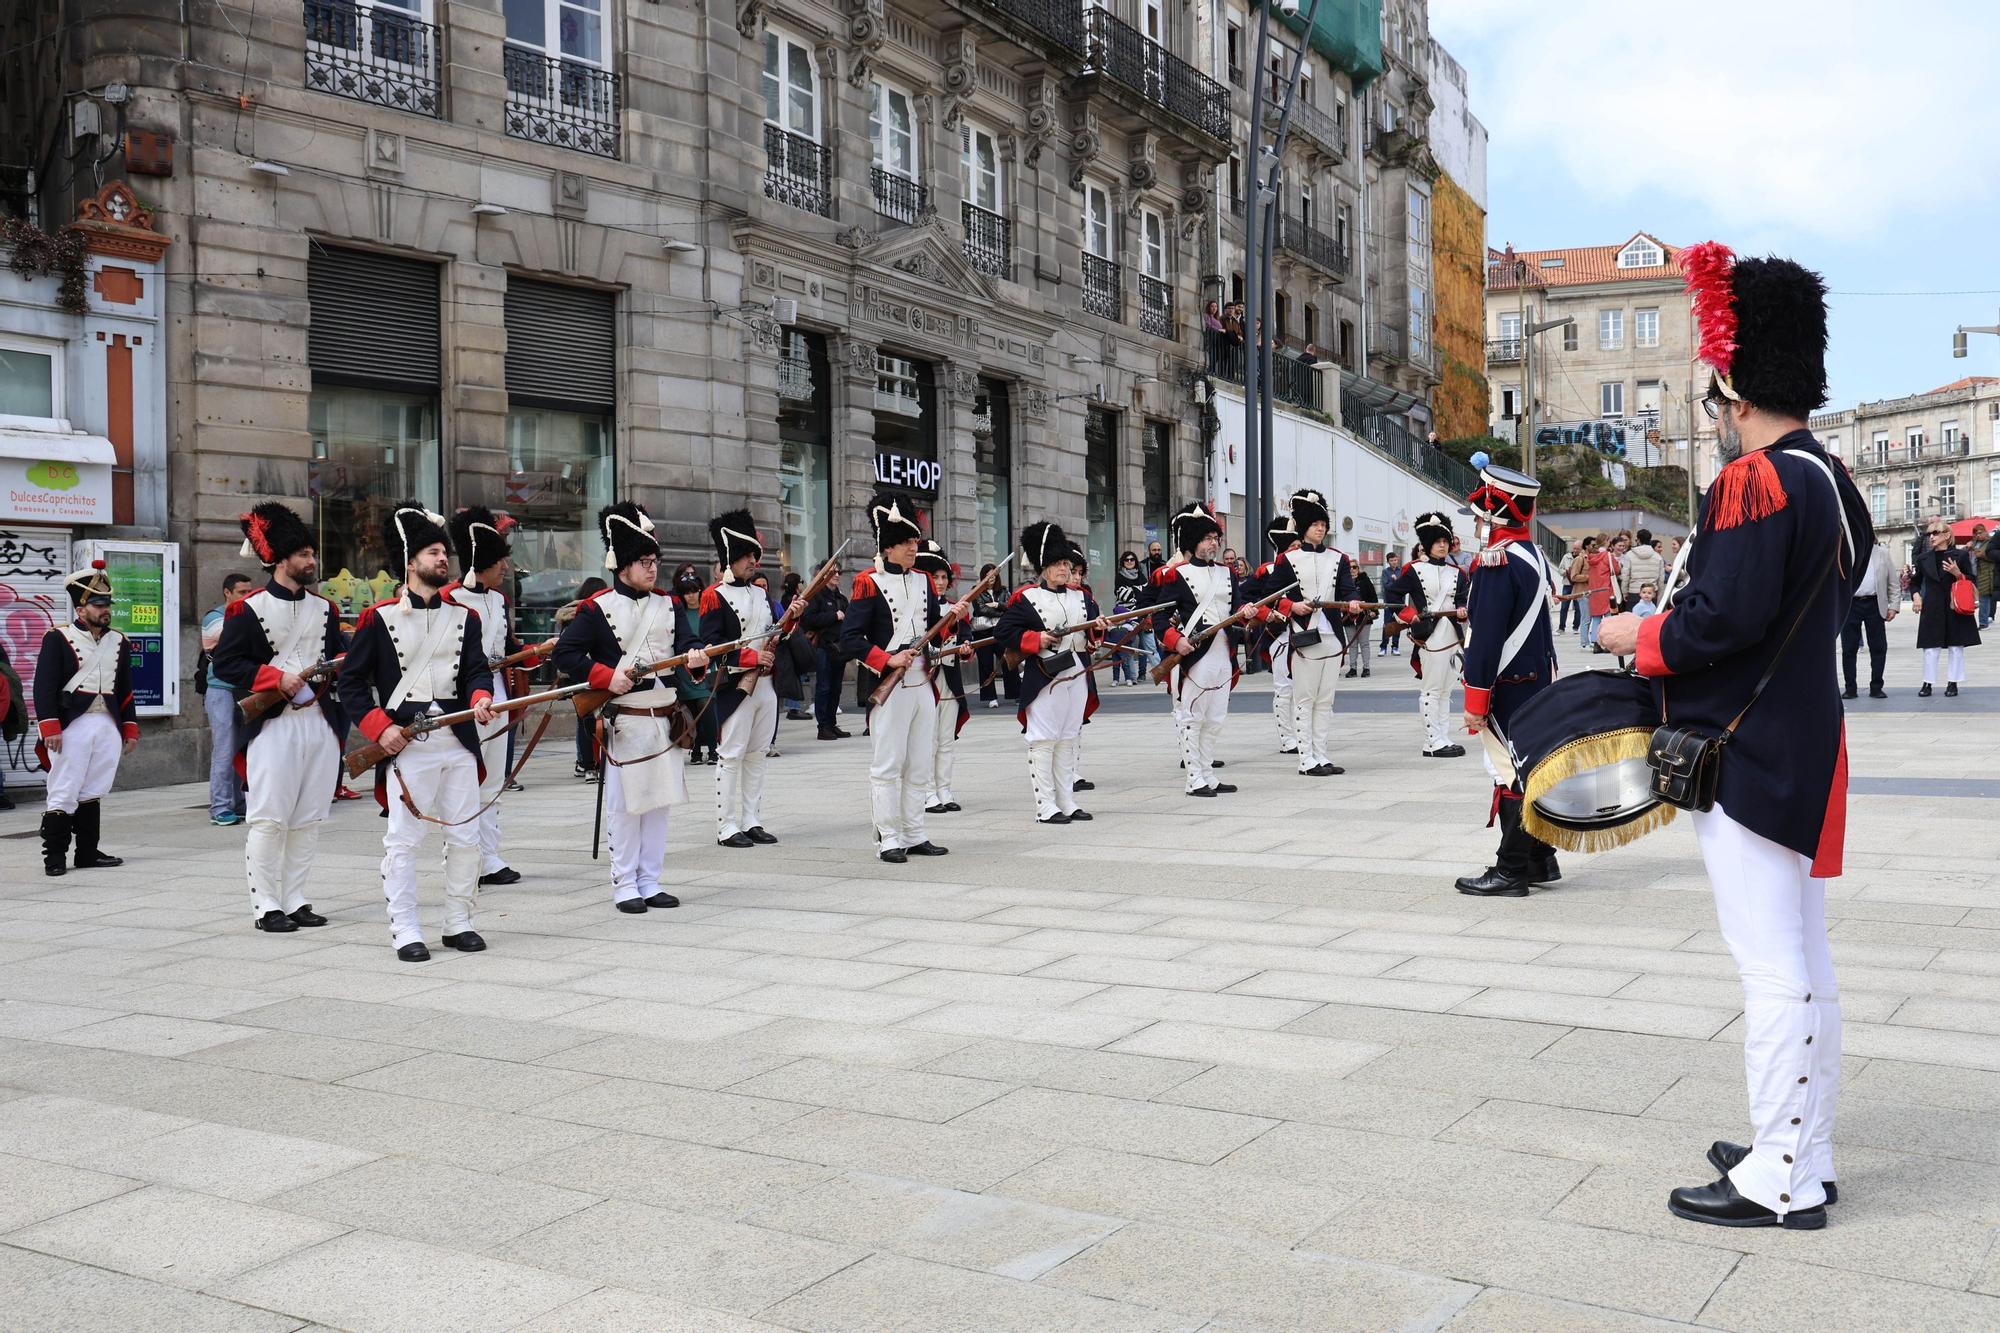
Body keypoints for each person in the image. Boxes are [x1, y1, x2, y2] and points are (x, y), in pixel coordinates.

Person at [1596, 243, 1870, 1232]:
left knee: (1770, 964)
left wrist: (1637, 633)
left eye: (1715, 401)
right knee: (1801, 956)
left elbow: (1719, 621)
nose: (1712, 420)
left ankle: (1780, 1171)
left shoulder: (1755, 479)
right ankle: (1802, 1142)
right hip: (1805, 738)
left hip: (1750, 750)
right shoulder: (1832, 479)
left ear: (1733, 387)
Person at [337, 505, 498, 960]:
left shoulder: (466, 617)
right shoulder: (378, 617)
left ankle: (459, 921)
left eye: (445, 552)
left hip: (458, 740)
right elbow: (351, 683)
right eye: (433, 552)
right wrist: (379, 729)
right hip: (406, 744)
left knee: (466, 836)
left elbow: (475, 672)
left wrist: (480, 697)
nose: (443, 559)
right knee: (404, 841)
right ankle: (406, 929)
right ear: (411, 561)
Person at [554, 502, 710, 913]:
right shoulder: (596, 608)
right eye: (644, 561)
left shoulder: (668, 603)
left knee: (659, 803)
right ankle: (624, 883)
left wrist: (696, 655)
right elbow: (566, 655)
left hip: (666, 715)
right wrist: (606, 677)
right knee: (625, 809)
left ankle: (650, 879)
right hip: (625, 719)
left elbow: (684, 645)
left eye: (654, 560)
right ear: (623, 565)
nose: (652, 568)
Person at [213, 501, 347, 934]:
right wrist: (276, 678)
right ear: (282, 558)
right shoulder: (246, 610)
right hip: (273, 722)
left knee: (308, 817)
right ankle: (266, 904)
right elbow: (226, 664)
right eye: (304, 554)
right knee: (270, 817)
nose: (312, 561)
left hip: (318, 721)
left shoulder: (326, 610)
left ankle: (296, 898)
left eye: (312, 554)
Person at [1452, 463, 1560, 898]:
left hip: (1507, 686)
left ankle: (1512, 869)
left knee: (1511, 774)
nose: (1478, 523)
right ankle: (1539, 858)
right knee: (1529, 769)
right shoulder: (1532, 555)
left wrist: (1476, 700)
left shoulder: (1495, 562)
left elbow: (1486, 637)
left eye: (1481, 515)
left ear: (1495, 513)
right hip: (1535, 680)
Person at [841, 494, 967, 863]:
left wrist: (951, 622)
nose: (915, 547)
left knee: (919, 762)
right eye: (908, 542)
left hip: (921, 681)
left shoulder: (925, 580)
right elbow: (849, 638)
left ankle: (914, 832)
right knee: (888, 765)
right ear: (890, 547)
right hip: (889, 683)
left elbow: (930, 630)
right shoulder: (868, 582)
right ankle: (889, 838)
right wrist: (887, 658)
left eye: (915, 541)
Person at [443, 506, 536, 888]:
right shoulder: (448, 597)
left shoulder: (498, 600)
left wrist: (534, 652)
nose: (505, 568)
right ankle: (462, 854)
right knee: (466, 779)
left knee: (493, 779)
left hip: (497, 690)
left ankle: (489, 854)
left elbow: (507, 646)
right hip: (462, 695)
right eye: (499, 561)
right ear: (480, 561)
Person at [34, 560, 138, 877]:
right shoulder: (57, 637)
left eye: (107, 603)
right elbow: (44, 685)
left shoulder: (118, 640)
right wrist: (49, 725)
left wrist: (129, 727)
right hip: (71, 724)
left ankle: (88, 853)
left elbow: (124, 688)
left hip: (107, 722)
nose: (105, 609)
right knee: (64, 789)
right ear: (81, 609)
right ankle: (54, 857)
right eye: (98, 603)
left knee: (94, 788)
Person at [997, 522, 1104, 823]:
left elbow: (1092, 635)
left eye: (1067, 564)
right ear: (1044, 567)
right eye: (1057, 564)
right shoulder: (1026, 597)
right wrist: (1037, 639)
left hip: (1078, 673)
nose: (1064, 569)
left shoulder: (1082, 597)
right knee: (1044, 740)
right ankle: (1046, 805)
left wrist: (1098, 631)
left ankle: (1067, 801)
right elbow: (1005, 631)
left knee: (1069, 737)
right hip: (1045, 674)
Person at [698, 509, 790, 848]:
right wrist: (751, 656)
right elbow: (710, 647)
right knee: (732, 754)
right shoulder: (713, 596)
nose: (753, 560)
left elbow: (770, 632)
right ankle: (726, 826)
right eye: (746, 555)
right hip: (734, 684)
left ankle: (752, 819)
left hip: (765, 683)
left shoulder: (762, 594)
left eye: (754, 554)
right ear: (731, 558)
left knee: (758, 753)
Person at [1154, 501, 1244, 797]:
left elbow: (1237, 604)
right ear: (1194, 542)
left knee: (1216, 718)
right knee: (1192, 716)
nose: (1214, 543)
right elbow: (1158, 616)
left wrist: (1248, 611)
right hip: (1195, 654)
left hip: (1223, 651)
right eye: (1208, 538)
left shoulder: (1227, 573)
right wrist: (1174, 639)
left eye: (1216, 538)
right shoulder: (1175, 574)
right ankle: (1194, 778)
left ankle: (1208, 773)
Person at [1271, 488, 1362, 777]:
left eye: (1323, 525)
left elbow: (1347, 589)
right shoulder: (1288, 559)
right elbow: (1269, 595)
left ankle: (1321, 755)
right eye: (1314, 525)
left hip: (1332, 635)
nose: (1320, 529)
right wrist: (1291, 606)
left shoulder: (1338, 558)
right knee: (1305, 698)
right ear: (1304, 527)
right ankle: (1305, 758)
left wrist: (1354, 602)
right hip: (1304, 634)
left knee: (1326, 700)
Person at [1387, 511, 1469, 759]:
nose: (1443, 545)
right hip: (1429, 635)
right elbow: (1393, 595)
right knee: (1432, 689)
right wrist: (1408, 614)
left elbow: (1464, 599)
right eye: (1438, 541)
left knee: (1446, 689)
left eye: (1446, 541)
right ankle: (1431, 741)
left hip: (1452, 635)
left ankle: (1443, 736)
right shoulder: (1413, 570)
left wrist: (1464, 611)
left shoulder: (1458, 573)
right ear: (1428, 544)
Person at [916, 539, 970, 814]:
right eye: (934, 576)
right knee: (928, 739)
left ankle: (944, 789)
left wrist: (965, 649)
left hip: (948, 677)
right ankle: (926, 792)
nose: (939, 581)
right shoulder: (919, 606)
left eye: (942, 577)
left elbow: (966, 637)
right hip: (925, 678)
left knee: (946, 739)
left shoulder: (954, 607)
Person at [200, 572, 254, 825]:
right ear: (227, 593)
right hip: (221, 689)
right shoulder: (215, 617)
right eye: (242, 592)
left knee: (242, 747)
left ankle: (239, 802)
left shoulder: (246, 616)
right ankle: (220, 806)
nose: (247, 596)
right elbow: (237, 641)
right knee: (224, 749)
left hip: (246, 689)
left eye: (249, 591)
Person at [1245, 514, 1300, 752]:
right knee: (1284, 687)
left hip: (1308, 633)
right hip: (1279, 633)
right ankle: (1288, 740)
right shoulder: (1267, 570)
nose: (1298, 549)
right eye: (1293, 546)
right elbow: (1248, 599)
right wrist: (1265, 614)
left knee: (1306, 691)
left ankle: (1304, 734)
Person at [1911, 518, 1979, 696]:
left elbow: (1972, 581)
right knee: (1930, 648)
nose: (1931, 537)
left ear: (1947, 535)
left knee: (1956, 647)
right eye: (1929, 534)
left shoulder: (1961, 556)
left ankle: (1953, 682)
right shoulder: (1923, 558)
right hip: (1932, 606)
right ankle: (1927, 683)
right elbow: (1915, 582)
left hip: (1954, 606)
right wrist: (1916, 595)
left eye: (1935, 532)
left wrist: (1958, 574)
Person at [669, 563, 721, 764]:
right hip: (684, 669)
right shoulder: (678, 616)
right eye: (686, 593)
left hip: (707, 667)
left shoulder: (708, 612)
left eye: (694, 591)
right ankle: (696, 749)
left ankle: (714, 749)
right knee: (689, 709)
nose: (691, 596)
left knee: (706, 707)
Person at [557, 576, 608, 780]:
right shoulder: (589, 613)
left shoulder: (570, 614)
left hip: (577, 674)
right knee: (589, 719)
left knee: (584, 719)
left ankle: (585, 763)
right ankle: (589, 764)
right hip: (589, 671)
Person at [801, 559, 853, 736]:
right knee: (824, 687)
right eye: (833, 572)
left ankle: (831, 723)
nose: (837, 575)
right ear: (823, 575)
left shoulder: (841, 598)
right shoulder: (816, 596)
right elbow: (807, 620)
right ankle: (823, 726)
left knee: (836, 687)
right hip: (823, 647)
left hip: (839, 649)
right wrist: (833, 616)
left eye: (839, 572)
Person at [1841, 537, 1894, 699]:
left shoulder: (1883, 553)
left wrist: (1894, 606)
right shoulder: (1847, 552)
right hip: (1851, 604)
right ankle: (1850, 688)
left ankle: (1876, 686)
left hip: (1874, 603)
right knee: (1849, 649)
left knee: (1878, 647)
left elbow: (1893, 582)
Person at [968, 562, 1016, 706]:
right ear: (983, 576)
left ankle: (1015, 693)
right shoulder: (975, 590)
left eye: (993, 575)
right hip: (983, 632)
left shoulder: (1004, 591)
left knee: (1008, 661)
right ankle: (991, 698)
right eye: (987, 575)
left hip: (1001, 631)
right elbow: (981, 609)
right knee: (985, 664)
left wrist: (997, 605)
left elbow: (1012, 607)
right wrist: (1002, 612)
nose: (991, 578)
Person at [1111, 551, 1148, 685]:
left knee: (1145, 644)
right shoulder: (1119, 576)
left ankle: (1142, 673)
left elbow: (1146, 592)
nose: (1130, 562)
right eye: (1127, 560)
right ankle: (1131, 676)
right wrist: (1137, 591)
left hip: (1141, 613)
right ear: (1123, 562)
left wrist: (1134, 592)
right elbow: (1122, 595)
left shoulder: (1141, 575)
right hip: (1126, 615)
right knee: (1128, 646)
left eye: (1132, 559)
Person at [1576, 536, 1611, 649]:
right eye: (1592, 545)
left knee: (1593, 618)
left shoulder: (1591, 557)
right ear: (1586, 546)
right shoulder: (1581, 559)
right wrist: (1589, 577)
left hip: (1592, 591)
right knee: (1587, 619)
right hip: (1585, 592)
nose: (1594, 547)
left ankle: (1591, 642)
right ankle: (1585, 642)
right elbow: (1574, 576)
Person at [1620, 529, 1666, 611]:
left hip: (1634, 593)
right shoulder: (1658, 557)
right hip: (1651, 594)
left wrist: (1624, 592)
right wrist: (1659, 597)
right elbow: (1661, 580)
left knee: (1633, 621)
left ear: (1638, 540)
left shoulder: (1629, 555)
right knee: (1649, 622)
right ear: (1650, 540)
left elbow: (1625, 576)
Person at [1345, 569, 1377, 678]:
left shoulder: (1365, 581)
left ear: (1358, 569)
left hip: (1364, 616)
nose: (1352, 569)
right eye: (1349, 567)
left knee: (1364, 643)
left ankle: (1366, 668)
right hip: (1348, 617)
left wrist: (1374, 611)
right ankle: (1353, 668)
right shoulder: (1344, 581)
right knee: (1352, 644)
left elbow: (1373, 597)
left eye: (1354, 567)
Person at [1555, 539, 1580, 635]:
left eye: (1577, 548)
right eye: (1574, 548)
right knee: (1564, 607)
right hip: (1567, 585)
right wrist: (1565, 572)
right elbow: (1560, 569)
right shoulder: (1566, 557)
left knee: (1578, 607)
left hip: (1577, 585)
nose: (1575, 550)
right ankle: (1561, 627)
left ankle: (1576, 627)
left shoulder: (1582, 558)